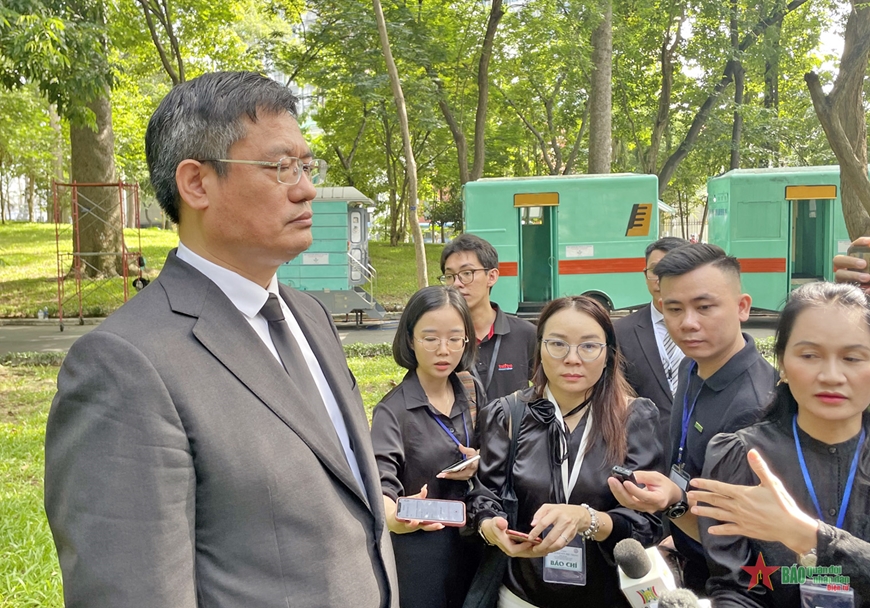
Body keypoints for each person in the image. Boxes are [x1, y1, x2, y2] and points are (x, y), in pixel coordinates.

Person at [44, 72, 398, 608]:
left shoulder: (310, 317)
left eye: (307, 166)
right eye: (281, 167)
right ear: (196, 184)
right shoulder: (124, 365)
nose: (306, 188)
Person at [471, 296, 663, 607]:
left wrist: (589, 520)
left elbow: (648, 525)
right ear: (540, 349)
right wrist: (490, 527)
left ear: (608, 354)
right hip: (521, 596)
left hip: (608, 597)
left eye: (589, 346)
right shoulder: (507, 414)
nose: (572, 359)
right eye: (558, 344)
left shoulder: (633, 418)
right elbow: (484, 498)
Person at [608, 243, 777, 594]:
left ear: (742, 307)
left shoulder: (755, 406)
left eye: (704, 307)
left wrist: (674, 504)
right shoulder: (691, 366)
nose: (687, 323)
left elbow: (742, 538)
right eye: (673, 308)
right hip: (686, 553)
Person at [689, 281, 870, 606]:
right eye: (810, 355)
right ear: (782, 363)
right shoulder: (740, 458)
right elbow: (736, 588)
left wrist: (809, 537)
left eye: (853, 358)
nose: (831, 375)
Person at [371, 286, 482, 608]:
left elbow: (492, 447)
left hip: (474, 545)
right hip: (420, 557)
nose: (443, 350)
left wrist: (480, 461)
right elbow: (380, 480)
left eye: (454, 339)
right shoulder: (392, 411)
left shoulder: (470, 389)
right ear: (410, 340)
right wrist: (394, 517)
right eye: (430, 338)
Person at [440, 234, 536, 401]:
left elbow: (549, 391)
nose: (456, 283)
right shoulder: (441, 339)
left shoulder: (526, 334)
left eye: (467, 273)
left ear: (491, 277)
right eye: (450, 276)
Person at [615, 236, 689, 449]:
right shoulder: (621, 332)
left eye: (672, 269)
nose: (661, 278)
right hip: (643, 449)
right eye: (655, 270)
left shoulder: (708, 329)